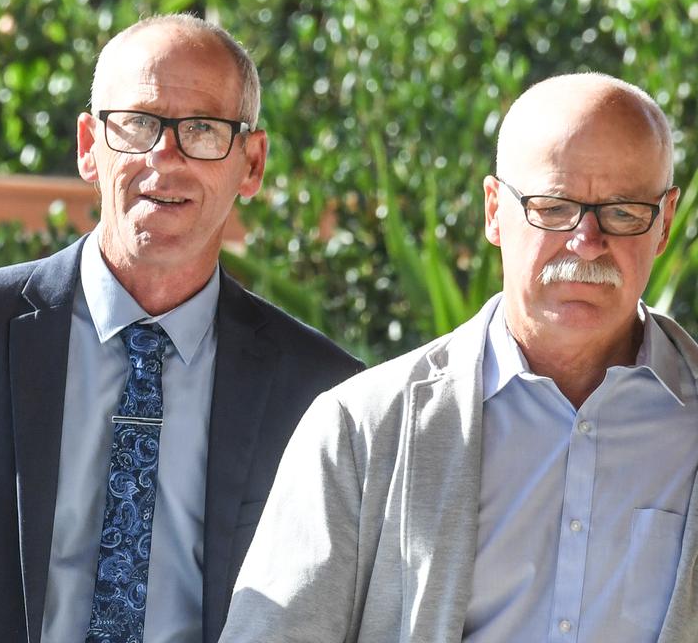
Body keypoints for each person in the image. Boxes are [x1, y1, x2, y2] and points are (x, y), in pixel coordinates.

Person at [0, 14, 362, 643]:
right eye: (138, 125)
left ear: (253, 162)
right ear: (88, 146)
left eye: (203, 130)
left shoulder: (322, 395)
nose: (166, 157)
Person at [221, 72, 698, 643]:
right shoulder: (363, 430)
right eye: (553, 206)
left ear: (664, 222)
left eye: (622, 212)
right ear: (495, 211)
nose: (586, 240)